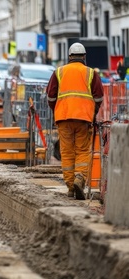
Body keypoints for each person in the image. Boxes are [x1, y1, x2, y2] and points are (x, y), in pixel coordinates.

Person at [46, 42, 103, 200]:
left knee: (67, 152)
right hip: (83, 118)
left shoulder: (59, 72)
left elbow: (50, 96)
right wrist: (93, 112)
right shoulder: (91, 73)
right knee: (83, 151)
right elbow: (98, 97)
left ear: (69, 56)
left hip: (63, 118)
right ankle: (80, 178)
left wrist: (56, 110)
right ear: (84, 57)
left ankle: (71, 187)